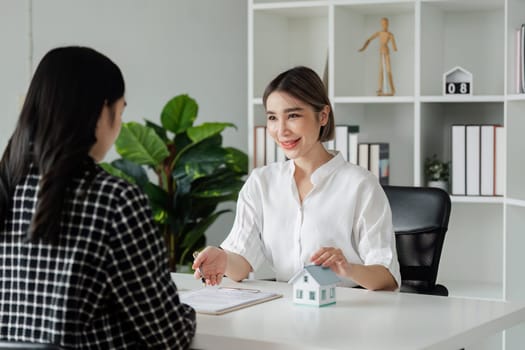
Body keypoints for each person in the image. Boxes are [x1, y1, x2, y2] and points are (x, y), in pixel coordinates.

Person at [0, 47, 196, 348]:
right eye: (120, 111)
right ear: (101, 112)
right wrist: (188, 315)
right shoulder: (115, 200)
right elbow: (168, 335)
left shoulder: (8, 186)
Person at [193, 66, 400, 291]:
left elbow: (387, 278)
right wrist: (222, 259)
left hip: (346, 313)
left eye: (293, 116)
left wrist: (347, 268)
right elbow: (241, 262)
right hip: (285, 313)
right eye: (272, 117)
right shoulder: (261, 183)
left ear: (323, 116)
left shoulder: (361, 185)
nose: (281, 130)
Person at [359, 17, 397, 96]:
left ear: (388, 24)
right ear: (381, 24)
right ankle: (380, 89)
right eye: (383, 23)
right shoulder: (379, 33)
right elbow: (369, 39)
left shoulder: (390, 35)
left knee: (389, 71)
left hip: (386, 52)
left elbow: (394, 47)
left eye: (386, 23)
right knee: (381, 71)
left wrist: (394, 48)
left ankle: (392, 89)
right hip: (381, 52)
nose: (384, 25)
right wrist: (363, 47)